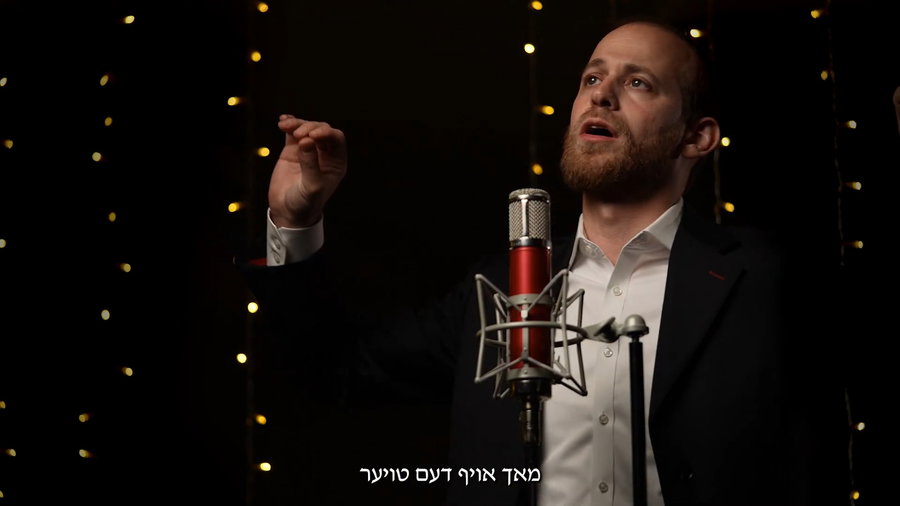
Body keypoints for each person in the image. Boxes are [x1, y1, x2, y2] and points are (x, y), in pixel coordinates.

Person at [241, 20, 850, 506]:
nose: (601, 94)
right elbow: (329, 370)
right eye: (592, 77)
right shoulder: (495, 288)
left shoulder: (766, 279)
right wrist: (294, 223)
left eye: (639, 83)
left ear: (697, 137)